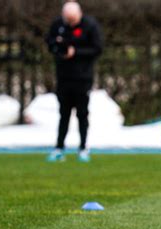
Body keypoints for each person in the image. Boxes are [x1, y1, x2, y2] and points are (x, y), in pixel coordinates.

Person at [45, 1, 103, 162]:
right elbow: (48, 42)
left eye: (72, 20)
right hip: (63, 77)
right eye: (67, 19)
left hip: (82, 78)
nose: (69, 23)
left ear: (79, 14)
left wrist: (75, 52)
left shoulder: (90, 26)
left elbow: (97, 49)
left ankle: (83, 148)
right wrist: (56, 45)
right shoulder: (58, 25)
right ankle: (59, 148)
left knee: (82, 114)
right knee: (63, 113)